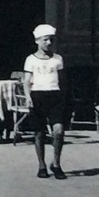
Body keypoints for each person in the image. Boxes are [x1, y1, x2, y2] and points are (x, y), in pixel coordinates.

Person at [22, 23, 68, 180]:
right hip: (37, 96)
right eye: (46, 40)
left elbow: (62, 81)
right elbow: (27, 81)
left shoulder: (57, 59)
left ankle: (56, 164)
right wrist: (28, 97)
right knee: (39, 132)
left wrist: (65, 98)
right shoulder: (30, 60)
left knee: (59, 130)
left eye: (51, 40)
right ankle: (41, 165)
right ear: (38, 41)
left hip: (55, 96)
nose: (49, 43)